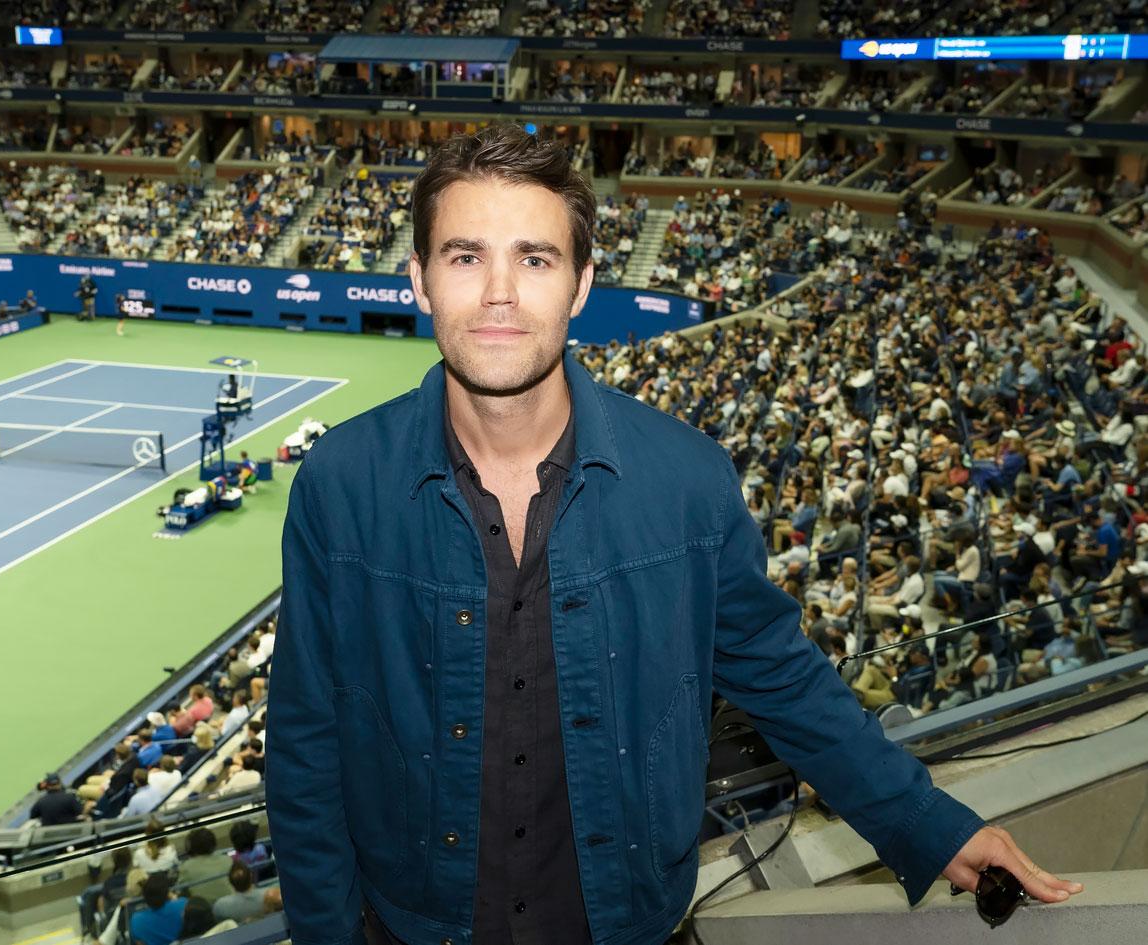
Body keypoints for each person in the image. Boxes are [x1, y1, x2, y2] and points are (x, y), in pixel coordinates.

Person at [265, 122, 1081, 945]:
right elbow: (305, 749)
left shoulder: (689, 480)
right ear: (420, 279)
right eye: (466, 256)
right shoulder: (339, 485)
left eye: (536, 258)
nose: (500, 292)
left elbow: (783, 679)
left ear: (582, 284)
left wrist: (927, 820)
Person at [176, 828, 232, 902]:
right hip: (231, 905)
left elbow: (178, 891)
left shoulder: (186, 867)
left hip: (206, 910)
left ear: (190, 847)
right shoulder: (227, 859)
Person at [127, 874, 184, 945]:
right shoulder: (183, 904)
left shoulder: (136, 920)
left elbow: (139, 943)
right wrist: (174, 898)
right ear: (167, 893)